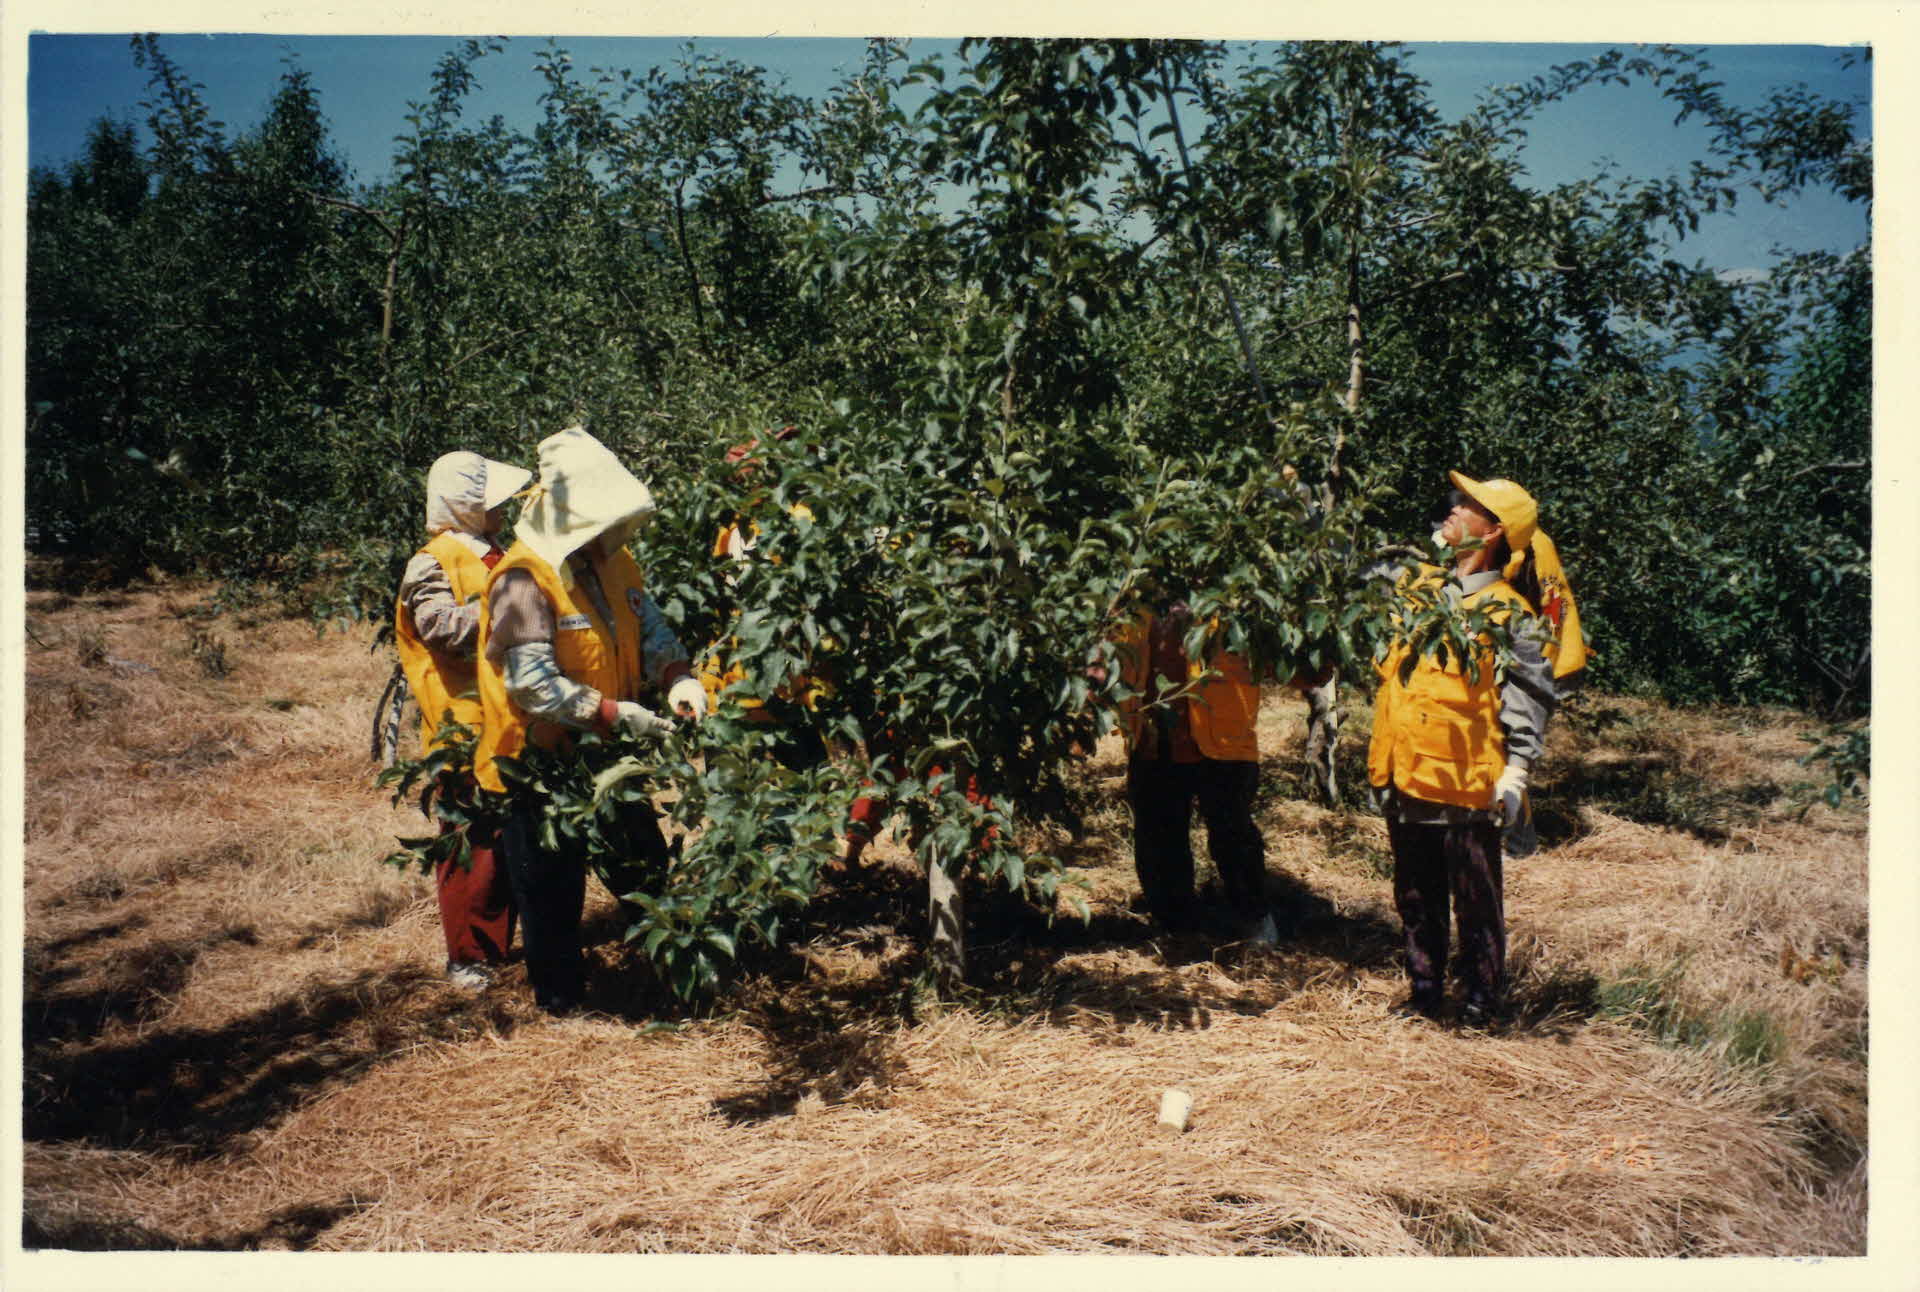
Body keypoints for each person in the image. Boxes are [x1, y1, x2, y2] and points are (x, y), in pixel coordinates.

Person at [473, 426, 709, 1016]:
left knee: (644, 867)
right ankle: (562, 1005)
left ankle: (679, 980)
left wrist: (677, 674)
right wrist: (610, 713)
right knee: (549, 888)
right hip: (538, 764)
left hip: (608, 757)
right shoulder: (524, 581)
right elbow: (531, 684)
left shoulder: (614, 562)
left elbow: (647, 626)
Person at [1367, 471, 1575, 1027]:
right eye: (1456, 501)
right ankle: (1425, 993)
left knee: (1476, 899)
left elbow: (1528, 698)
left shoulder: (1510, 614)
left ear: (1492, 531)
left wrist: (1517, 773)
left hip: (1467, 785)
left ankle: (1482, 1001)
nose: (1452, 510)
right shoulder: (1416, 592)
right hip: (1406, 774)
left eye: (1468, 505)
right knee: (1415, 895)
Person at [393, 450, 531, 990]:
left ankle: (498, 944)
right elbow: (441, 631)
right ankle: (468, 956)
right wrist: (517, 607)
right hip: (462, 725)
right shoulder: (430, 562)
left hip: (511, 720)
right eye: (490, 498)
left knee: (508, 838)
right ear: (466, 503)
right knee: (470, 843)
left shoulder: (502, 553)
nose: (501, 507)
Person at [1107, 595, 1277, 944]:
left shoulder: (1234, 594)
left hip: (1223, 740)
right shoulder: (1132, 601)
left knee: (1233, 835)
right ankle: (1176, 926)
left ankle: (1254, 917)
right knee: (1158, 839)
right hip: (1154, 739)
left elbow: (1280, 662)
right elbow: (1109, 660)